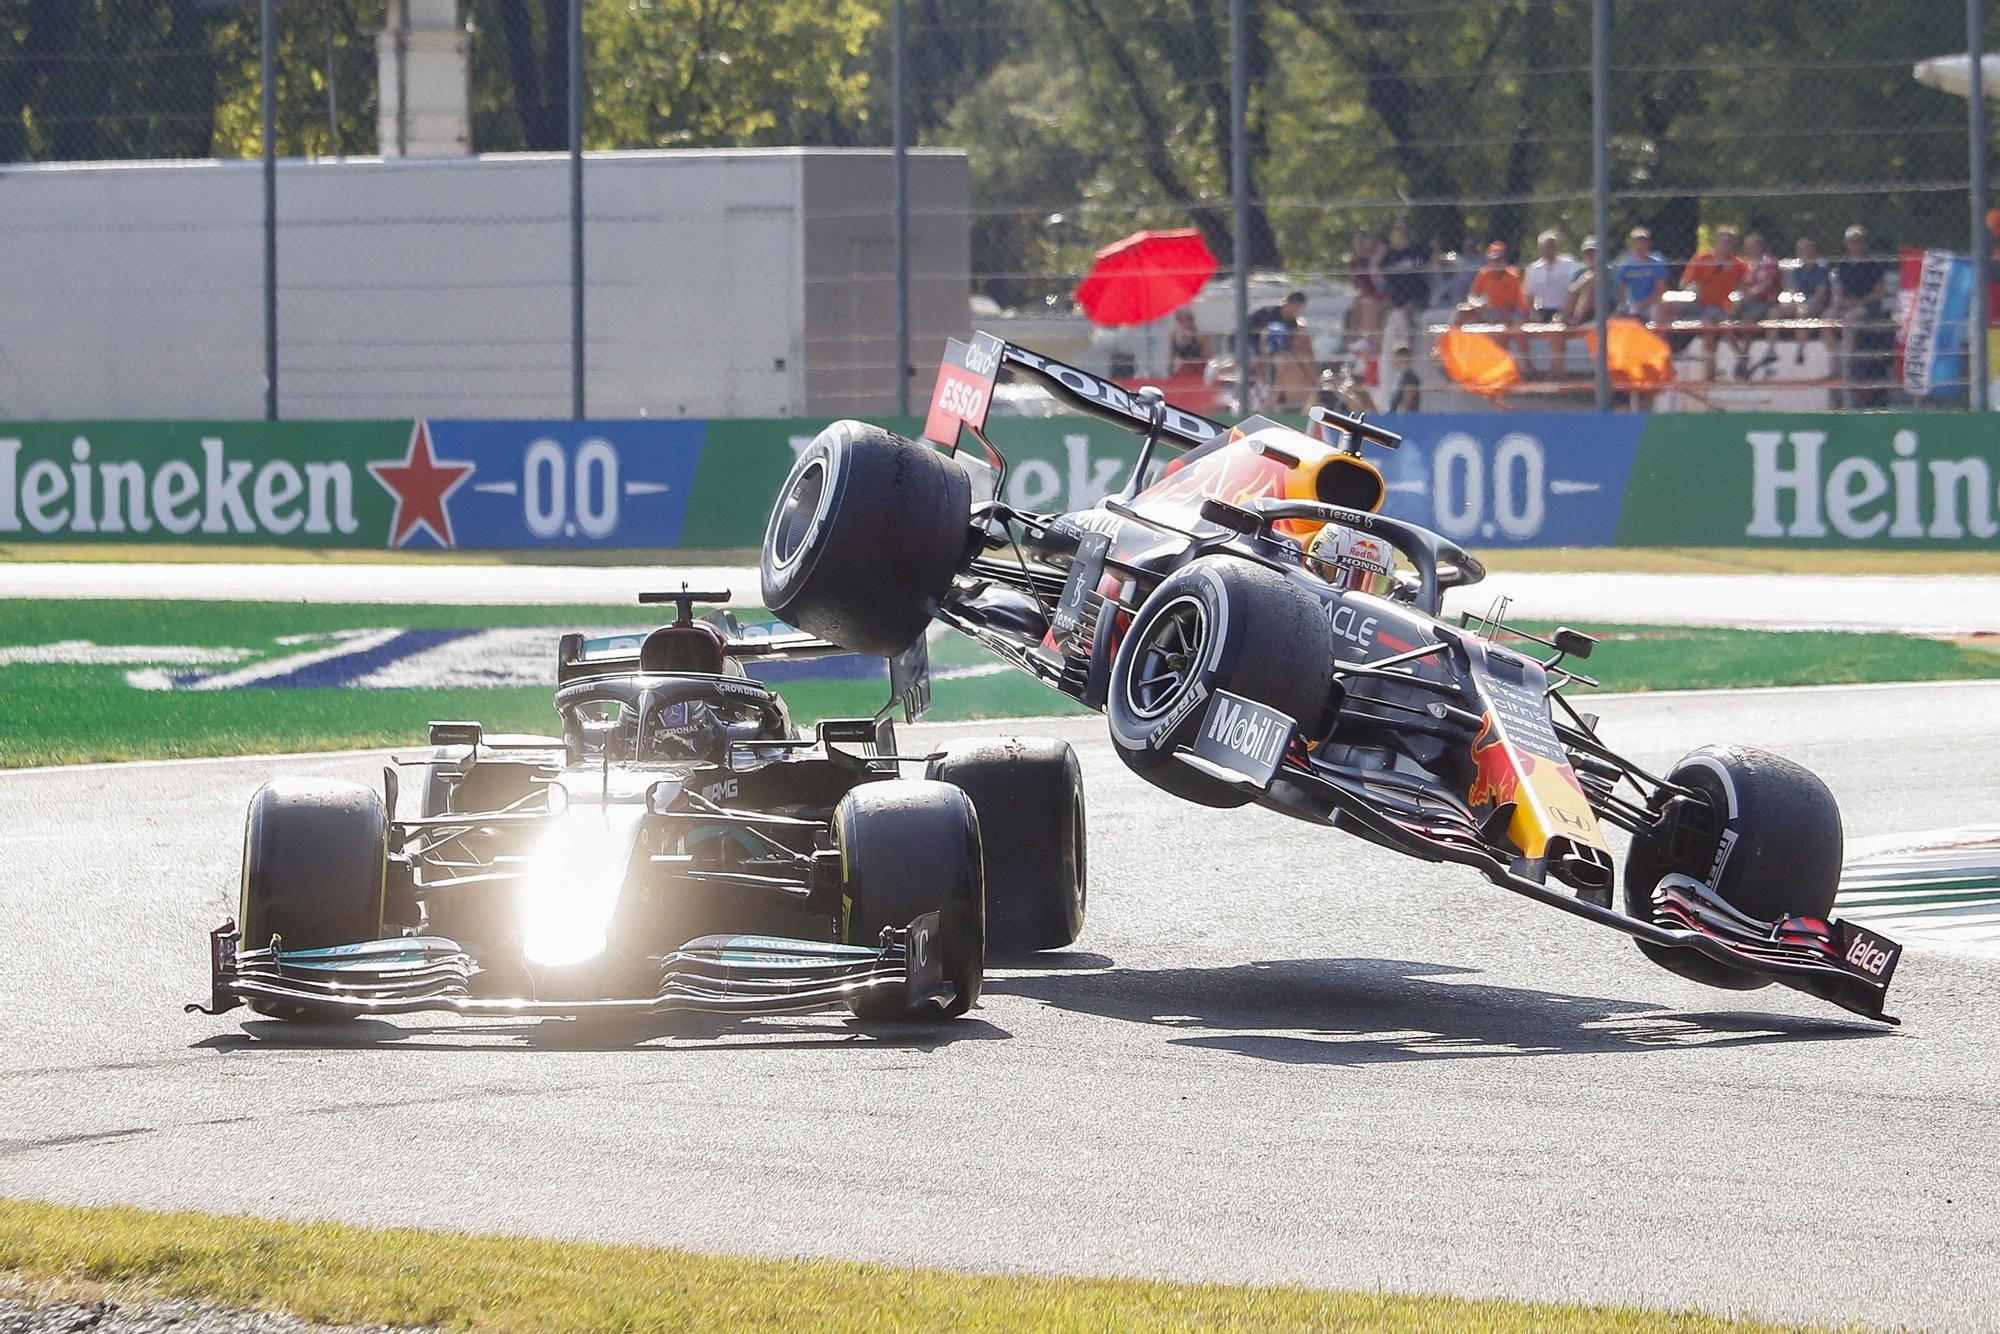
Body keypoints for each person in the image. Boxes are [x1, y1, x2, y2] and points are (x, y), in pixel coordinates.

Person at [1830, 224, 1888, 408]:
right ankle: (1836, 360)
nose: (1855, 244)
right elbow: (1838, 291)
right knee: (1826, 318)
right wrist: (1840, 302)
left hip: (1868, 306)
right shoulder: (1843, 265)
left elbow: (1879, 293)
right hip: (1848, 304)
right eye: (1851, 241)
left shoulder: (1874, 265)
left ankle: (1848, 363)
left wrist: (1858, 302)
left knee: (1851, 319)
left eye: (1858, 241)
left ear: (1864, 243)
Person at [1680, 225, 1748, 380]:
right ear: (1717, 241)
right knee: (1712, 321)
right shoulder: (1702, 259)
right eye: (1724, 241)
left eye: (1730, 242)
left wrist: (1740, 297)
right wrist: (1693, 287)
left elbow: (1745, 286)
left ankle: (1711, 370)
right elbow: (1684, 282)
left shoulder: (1738, 265)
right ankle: (1739, 357)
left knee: (1712, 323)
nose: (1727, 244)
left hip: (1720, 306)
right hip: (1698, 304)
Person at [1523, 229, 1578, 378]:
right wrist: (1532, 312)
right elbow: (1528, 296)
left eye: (1552, 245)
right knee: (1520, 331)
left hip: (1564, 309)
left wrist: (1568, 310)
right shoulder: (1533, 269)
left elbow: (1575, 290)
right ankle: (1531, 371)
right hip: (1542, 310)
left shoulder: (1569, 264)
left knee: (1556, 330)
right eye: (1546, 246)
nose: (1550, 249)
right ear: (1540, 248)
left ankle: (1556, 371)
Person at [1247, 290, 1314, 408]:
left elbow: (1287, 344)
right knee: (1256, 361)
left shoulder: (1292, 322)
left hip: (1271, 351)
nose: (1296, 311)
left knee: (1283, 362)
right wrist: (1260, 355)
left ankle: (1274, 397)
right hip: (1249, 342)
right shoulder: (1268, 314)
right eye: (1295, 306)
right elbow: (1260, 335)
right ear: (1289, 303)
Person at [1460, 241, 1528, 356]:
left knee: (1504, 331)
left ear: (1504, 260)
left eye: (1498, 260)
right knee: (1462, 311)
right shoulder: (1483, 273)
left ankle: (1505, 360)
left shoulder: (1512, 276)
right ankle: (1451, 338)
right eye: (1492, 260)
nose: (1495, 263)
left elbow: (1511, 306)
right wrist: (1478, 304)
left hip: (1514, 311)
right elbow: (1472, 295)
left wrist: (1493, 318)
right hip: (1492, 310)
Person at [1731, 232, 1783, 378]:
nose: (1749, 249)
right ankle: (1740, 354)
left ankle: (1744, 357)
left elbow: (1766, 285)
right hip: (1746, 301)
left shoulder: (1769, 262)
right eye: (1747, 246)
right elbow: (1738, 283)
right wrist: (1743, 294)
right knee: (1726, 315)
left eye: (1752, 246)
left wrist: (1750, 295)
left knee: (1748, 319)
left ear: (1760, 247)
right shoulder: (1745, 265)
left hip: (1765, 302)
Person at [1378, 217, 1433, 349]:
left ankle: (1407, 348)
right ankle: (1378, 348)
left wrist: (1435, 248)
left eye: (1404, 228)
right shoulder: (1389, 255)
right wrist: (1378, 254)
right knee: (1379, 310)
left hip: (1416, 294)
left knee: (1407, 312)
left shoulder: (1417, 250)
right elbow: (1379, 274)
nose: (1401, 232)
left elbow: (1432, 267)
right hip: (1397, 296)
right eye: (1398, 229)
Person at [1788, 235, 1833, 366]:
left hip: (1818, 304)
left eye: (1807, 250)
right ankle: (1771, 350)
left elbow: (1821, 294)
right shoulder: (1797, 271)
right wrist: (1798, 302)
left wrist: (1804, 305)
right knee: (1775, 312)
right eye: (1801, 250)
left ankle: (1800, 350)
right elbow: (1795, 292)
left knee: (1802, 313)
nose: (1804, 253)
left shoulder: (1821, 270)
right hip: (1801, 304)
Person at [1616, 226, 1672, 323]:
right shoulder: (1626, 266)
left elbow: (1660, 291)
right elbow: (1620, 290)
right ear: (1631, 244)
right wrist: (1623, 305)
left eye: (1643, 241)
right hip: (1633, 304)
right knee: (1616, 318)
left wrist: (1643, 305)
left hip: (1652, 304)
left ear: (1649, 244)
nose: (1640, 245)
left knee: (1660, 311)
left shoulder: (1656, 264)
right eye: (1636, 242)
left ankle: (1657, 337)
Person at [1344, 230, 1387, 346]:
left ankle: (1369, 340)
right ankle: (1350, 340)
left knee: (1366, 303)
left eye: (1361, 241)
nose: (1358, 245)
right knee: (1352, 308)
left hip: (1377, 293)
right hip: (1366, 293)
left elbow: (1377, 282)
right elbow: (1355, 285)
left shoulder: (1373, 259)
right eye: (1356, 242)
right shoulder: (1354, 262)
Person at [1561, 235, 1599, 330]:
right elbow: (1572, 291)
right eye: (1587, 252)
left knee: (1590, 281)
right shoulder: (1578, 269)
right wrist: (1583, 281)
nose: (1590, 255)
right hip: (1580, 302)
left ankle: (1576, 321)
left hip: (1601, 303)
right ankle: (1567, 318)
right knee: (1587, 282)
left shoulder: (1608, 270)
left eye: (1593, 252)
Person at [1166, 307, 1210, 377]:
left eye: (1189, 320)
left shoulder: (1198, 335)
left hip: (1199, 368)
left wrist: (1208, 372)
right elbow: (1171, 356)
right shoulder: (1174, 336)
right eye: (1182, 321)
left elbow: (1208, 355)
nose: (1187, 323)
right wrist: (1170, 372)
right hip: (1185, 368)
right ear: (1177, 321)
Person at [1387, 342, 1421, 411]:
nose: (1392, 361)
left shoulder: (1410, 378)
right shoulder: (1404, 377)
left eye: (1394, 358)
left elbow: (1406, 402)